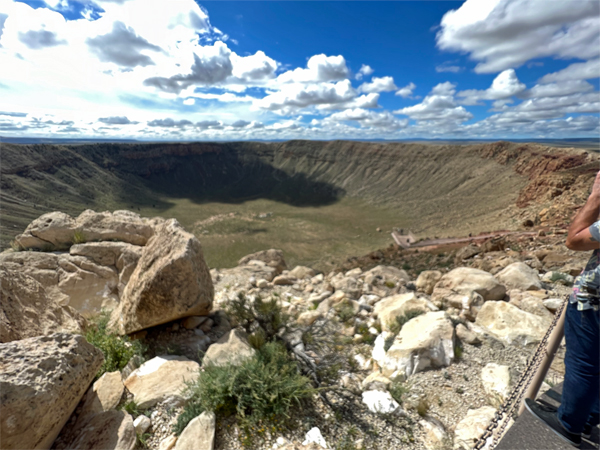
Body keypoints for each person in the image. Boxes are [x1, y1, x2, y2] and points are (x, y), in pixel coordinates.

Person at [525, 170, 600, 448]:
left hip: (594, 300)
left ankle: (569, 424)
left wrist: (596, 196)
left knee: (584, 362)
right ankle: (588, 417)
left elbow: (574, 239)